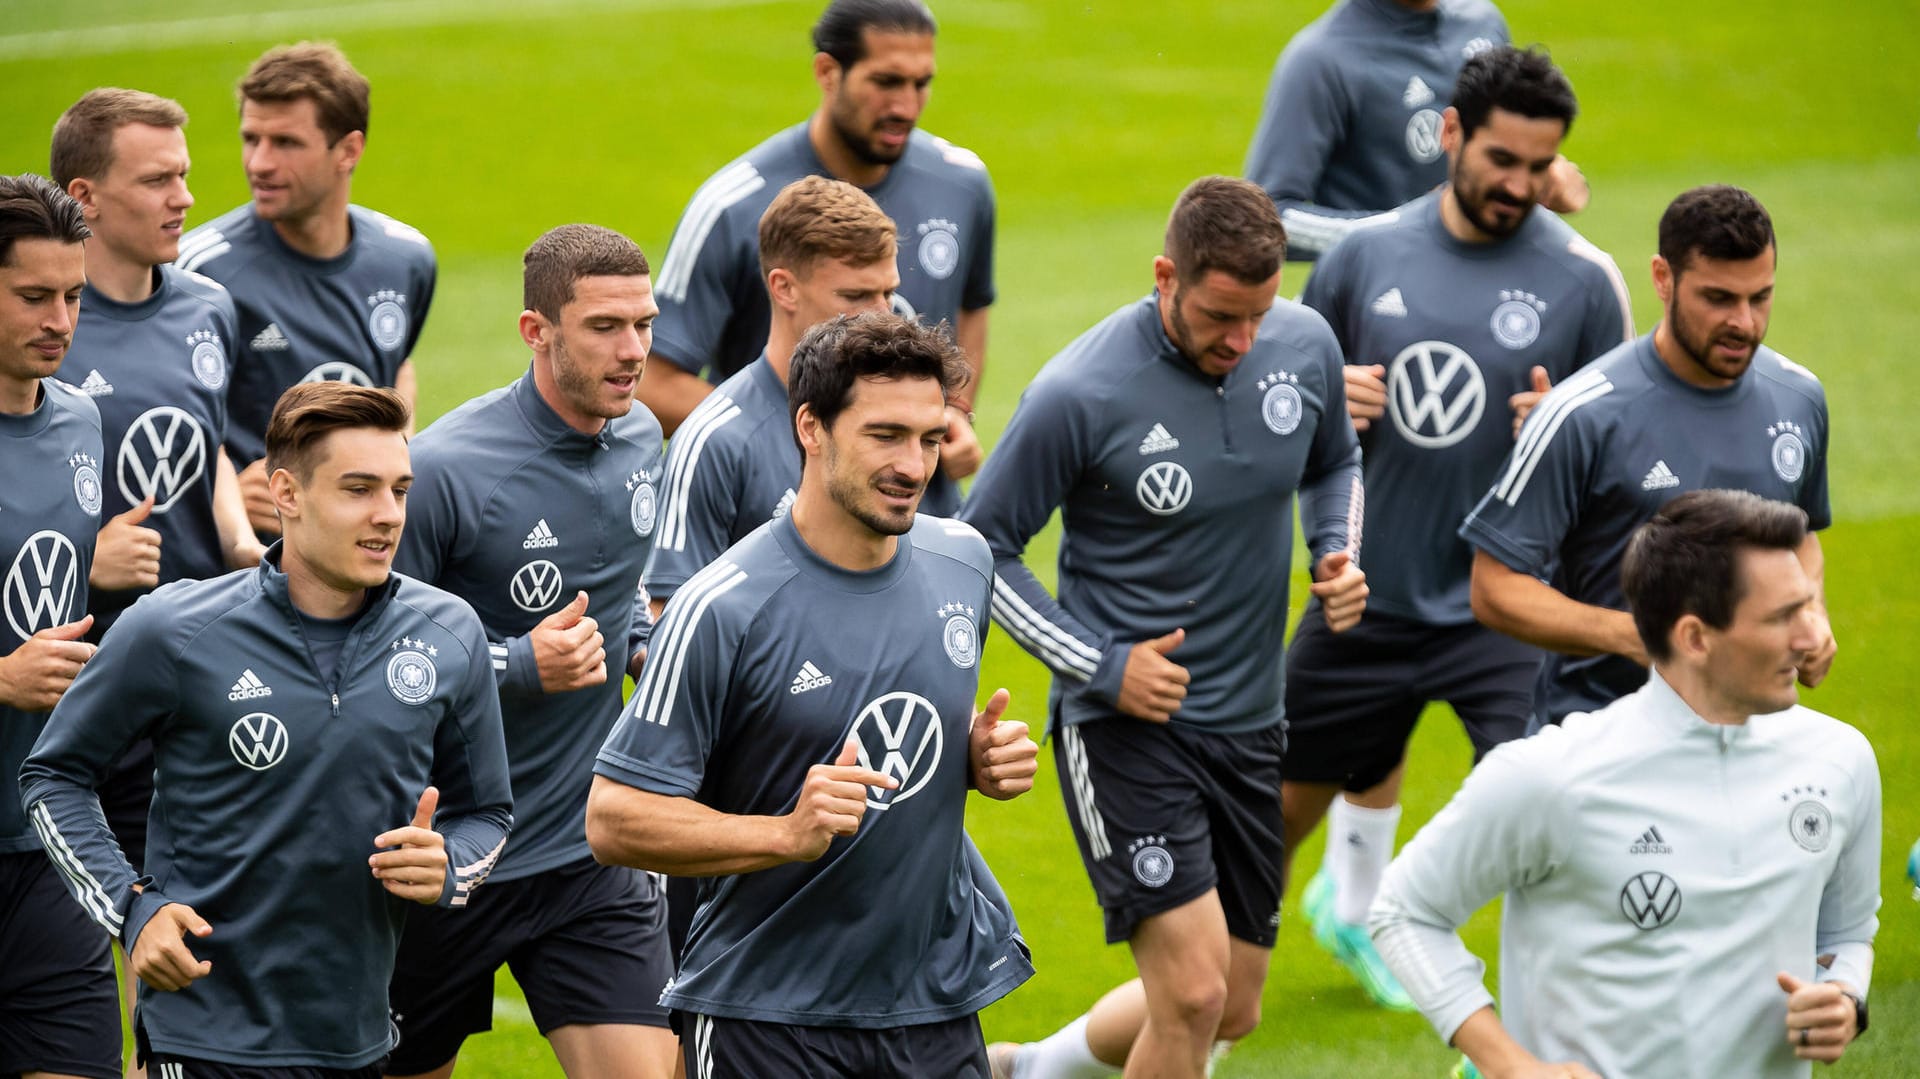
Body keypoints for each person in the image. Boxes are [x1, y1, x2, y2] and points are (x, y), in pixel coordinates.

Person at [966, 176, 1365, 1079]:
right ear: (1164, 277)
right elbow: (983, 546)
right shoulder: (1082, 390)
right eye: (1222, 315)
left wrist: (1338, 550)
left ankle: (1034, 1070)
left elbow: (1337, 458)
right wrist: (1102, 667)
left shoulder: (1302, 345)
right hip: (1127, 731)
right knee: (1191, 993)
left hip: (1252, 721)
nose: (1243, 340)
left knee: (1234, 1001)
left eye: (1258, 314)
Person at [586, 313, 1039, 1078]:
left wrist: (975, 756)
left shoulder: (963, 561)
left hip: (933, 1002)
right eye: (885, 435)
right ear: (812, 428)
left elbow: (892, 720)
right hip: (766, 1017)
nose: (914, 465)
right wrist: (785, 832)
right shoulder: (721, 605)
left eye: (931, 438)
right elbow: (614, 818)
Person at [1275, 45, 1633, 1012]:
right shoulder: (1360, 257)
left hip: (1506, 616)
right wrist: (1324, 403)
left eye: (1538, 165)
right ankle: (1205, 1012)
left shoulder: (1587, 284)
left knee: (1551, 838)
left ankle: (1522, 1045)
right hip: (1365, 602)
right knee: (1265, 824)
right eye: (1500, 160)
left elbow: (1622, 484)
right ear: (1449, 136)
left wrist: (1562, 438)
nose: (1519, 185)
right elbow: (1286, 422)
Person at [20, 382, 514, 1074]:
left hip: (359, 1039)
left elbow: (487, 811)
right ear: (287, 492)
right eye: (358, 489)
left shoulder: (450, 633)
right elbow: (53, 774)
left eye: (400, 491)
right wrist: (133, 911)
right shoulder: (174, 631)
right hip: (204, 1036)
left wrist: (450, 865)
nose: (387, 516)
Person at [1371, 489, 1879, 1078]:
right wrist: (1510, 1065)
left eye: (1807, 606)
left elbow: (1847, 932)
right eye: (1780, 617)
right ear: (1694, 637)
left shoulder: (1839, 761)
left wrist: (1844, 996)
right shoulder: (1553, 776)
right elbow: (1405, 911)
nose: (1811, 636)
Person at [383, 225, 672, 1078]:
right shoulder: (442, 471)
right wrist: (515, 665)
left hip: (587, 853)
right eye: (605, 327)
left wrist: (642, 644)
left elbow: (622, 589)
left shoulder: (642, 438)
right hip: (450, 856)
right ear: (536, 331)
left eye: (645, 324)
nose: (633, 351)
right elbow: (366, 659)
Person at [1461, 184, 1834, 729]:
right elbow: (1494, 589)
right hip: (1604, 734)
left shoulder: (1800, 398)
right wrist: (1638, 638)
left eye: (1760, 297)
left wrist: (1811, 612)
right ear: (1663, 278)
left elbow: (1798, 537)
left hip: (1749, 736)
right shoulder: (1580, 414)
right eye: (1718, 298)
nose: (1745, 323)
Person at [642, 0, 992, 515]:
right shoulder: (733, 207)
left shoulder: (963, 184)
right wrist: (788, 433)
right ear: (828, 72)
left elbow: (970, 308)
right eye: (886, 82)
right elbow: (653, 382)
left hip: (918, 514)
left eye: (921, 83)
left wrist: (953, 411)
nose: (906, 106)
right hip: (785, 514)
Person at [177, 42, 436, 538]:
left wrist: (396, 461)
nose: (259, 163)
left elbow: (397, 367)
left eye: (286, 143)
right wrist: (230, 486)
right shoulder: (199, 271)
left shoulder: (408, 260)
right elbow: (169, 411)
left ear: (349, 150)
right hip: (254, 556)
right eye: (251, 139)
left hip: (363, 545)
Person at [646, 175, 898, 613]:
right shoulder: (716, 440)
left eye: (888, 293)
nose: (882, 317)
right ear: (784, 288)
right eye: (855, 296)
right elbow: (667, 618)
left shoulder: (904, 423)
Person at [0, 173, 114, 1079]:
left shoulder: (80, 420)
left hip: (47, 836)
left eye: (73, 295)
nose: (61, 319)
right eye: (33, 296)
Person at [1245, 0, 1592, 262]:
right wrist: (1406, 232)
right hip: (1383, 303)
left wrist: (1544, 174)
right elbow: (1265, 222)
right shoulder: (1321, 60)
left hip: (1493, 285)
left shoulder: (1483, 21)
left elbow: (1503, 144)